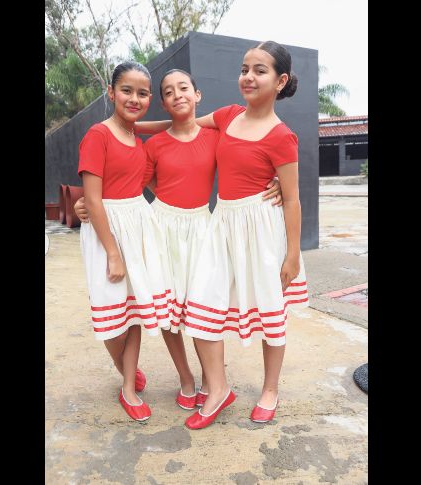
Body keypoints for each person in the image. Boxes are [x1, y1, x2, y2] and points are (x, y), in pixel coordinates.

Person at [74, 68, 283, 413]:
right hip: (160, 227)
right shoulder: (150, 144)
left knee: (202, 307)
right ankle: (185, 378)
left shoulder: (216, 135)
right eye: (168, 92)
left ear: (197, 94)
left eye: (183, 88)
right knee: (167, 309)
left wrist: (276, 178)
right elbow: (125, 183)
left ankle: (210, 381)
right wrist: (86, 204)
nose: (177, 95)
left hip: (204, 227)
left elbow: (252, 148)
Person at [136, 41, 309, 429]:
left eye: (259, 70)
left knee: (270, 310)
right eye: (245, 68)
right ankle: (218, 389)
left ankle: (270, 390)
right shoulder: (229, 116)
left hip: (263, 229)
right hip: (222, 226)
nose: (248, 76)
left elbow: (293, 200)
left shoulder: (283, 137)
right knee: (200, 307)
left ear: (280, 81)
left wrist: (293, 254)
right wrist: (125, 127)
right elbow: (182, 124)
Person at [77, 61, 173, 422]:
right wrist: (113, 253)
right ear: (111, 92)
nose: (134, 98)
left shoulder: (136, 136)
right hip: (107, 232)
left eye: (143, 93)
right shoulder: (97, 135)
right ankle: (125, 367)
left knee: (133, 312)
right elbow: (93, 198)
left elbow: (165, 124)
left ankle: (128, 388)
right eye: (127, 91)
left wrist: (189, 120)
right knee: (109, 312)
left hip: (139, 226)